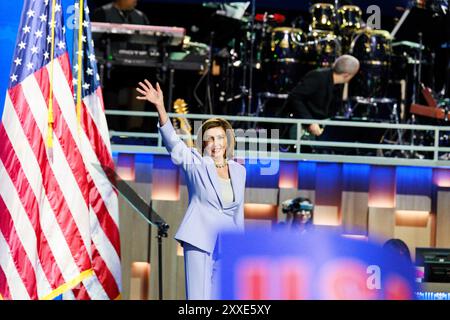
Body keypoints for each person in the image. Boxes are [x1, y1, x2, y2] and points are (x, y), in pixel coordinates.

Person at [136, 79, 246, 300]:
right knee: (198, 299)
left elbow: (238, 212)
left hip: (227, 243)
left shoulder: (239, 170)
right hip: (200, 238)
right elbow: (174, 144)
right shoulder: (196, 164)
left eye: (220, 138)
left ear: (227, 141)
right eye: (210, 139)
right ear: (203, 144)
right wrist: (160, 108)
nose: (216, 143)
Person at [281, 54, 360, 138]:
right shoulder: (318, 76)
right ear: (346, 75)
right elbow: (295, 97)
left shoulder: (338, 85)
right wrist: (310, 122)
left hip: (314, 130)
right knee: (273, 147)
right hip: (290, 125)